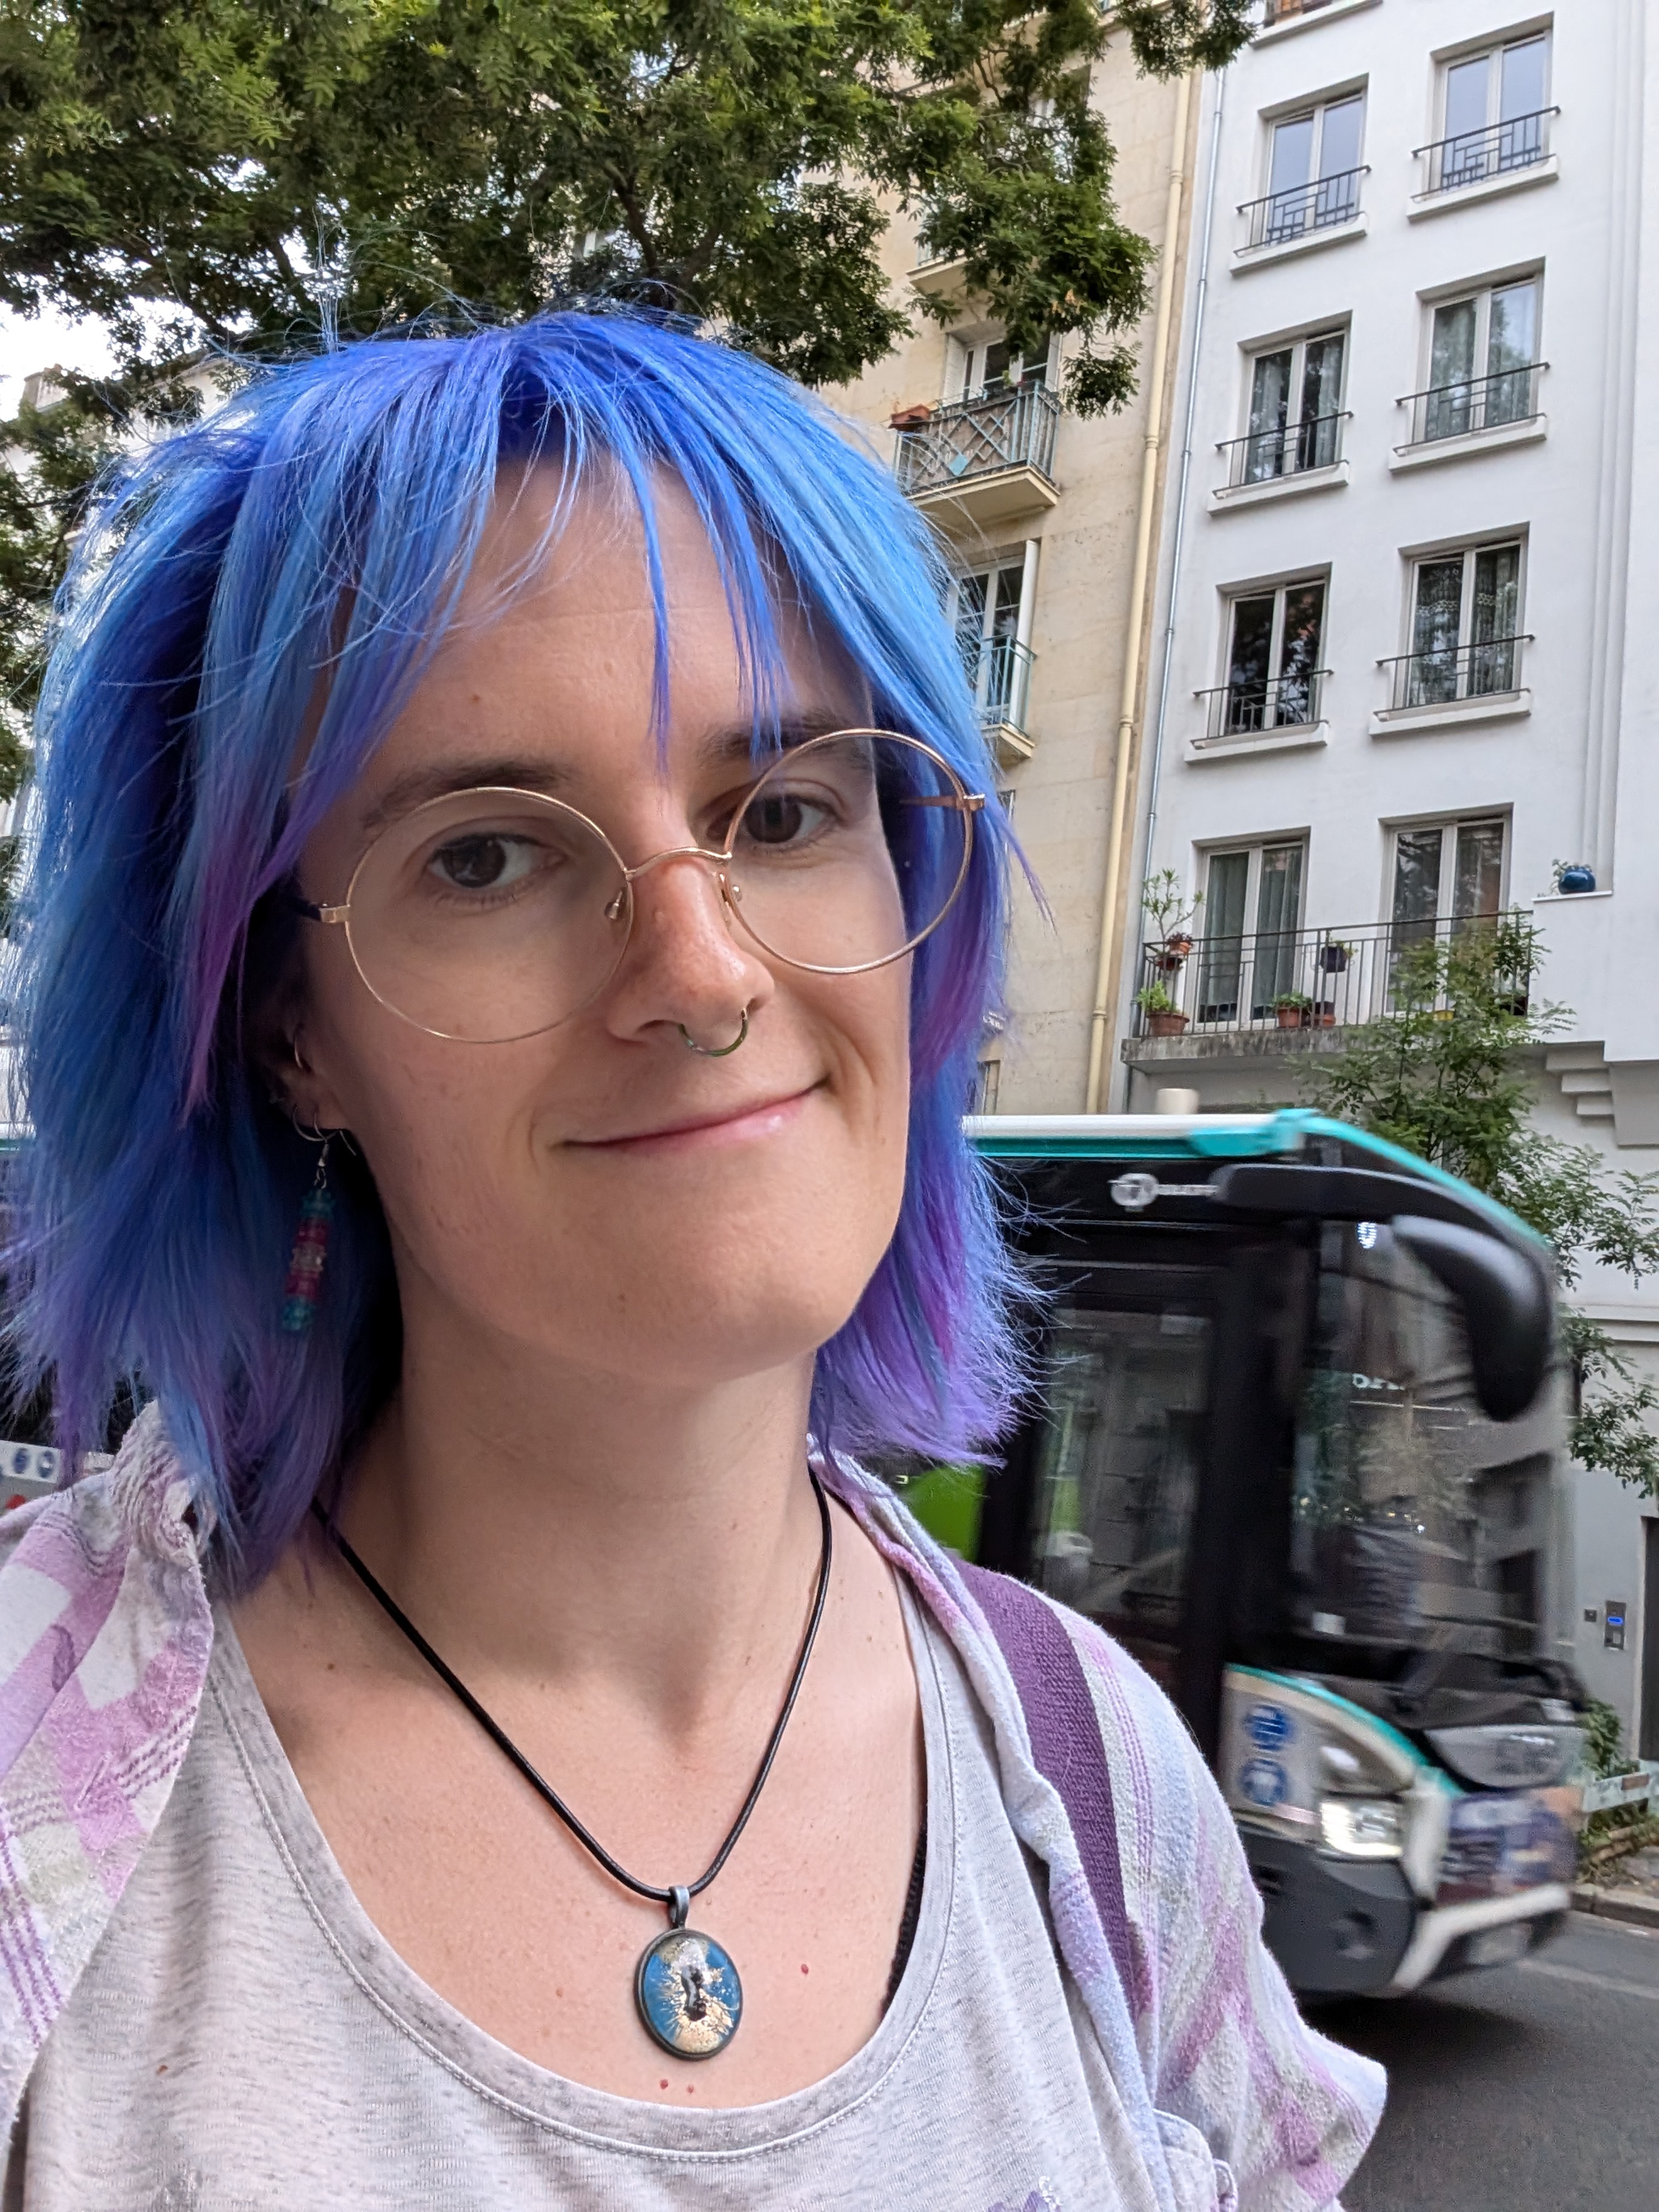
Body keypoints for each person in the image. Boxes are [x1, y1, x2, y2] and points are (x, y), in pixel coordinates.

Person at [0, 312, 1382, 2209]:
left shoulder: (1101, 1783)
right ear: (287, 1029)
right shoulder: (28, 1778)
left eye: (789, 812)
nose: (707, 974)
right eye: (488, 855)